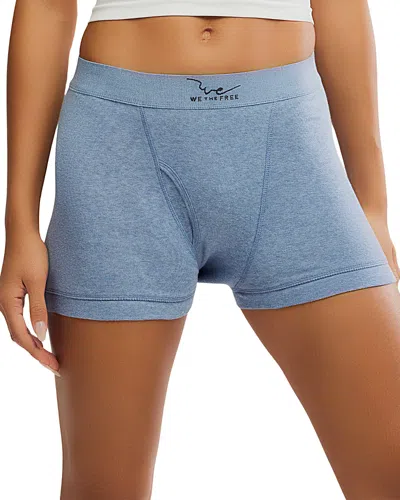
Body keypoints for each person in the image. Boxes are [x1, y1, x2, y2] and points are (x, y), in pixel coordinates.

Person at [1, 0, 400, 498]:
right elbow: (46, 7)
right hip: (118, 149)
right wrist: (19, 223)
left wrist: (373, 204)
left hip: (290, 146)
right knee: (101, 488)